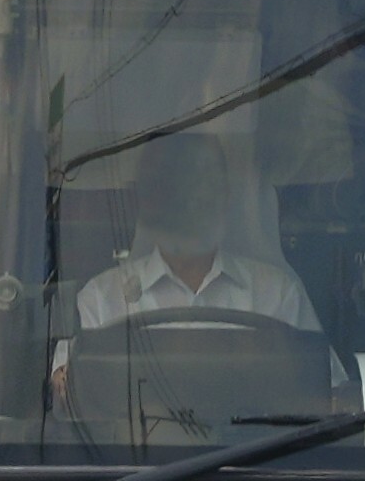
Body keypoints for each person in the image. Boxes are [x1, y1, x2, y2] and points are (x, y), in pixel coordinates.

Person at [66, 123, 324, 340]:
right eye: (169, 184)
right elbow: (66, 389)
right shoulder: (100, 300)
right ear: (144, 199)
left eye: (201, 181)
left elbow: (325, 392)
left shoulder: (278, 296)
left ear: (225, 195)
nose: (187, 199)